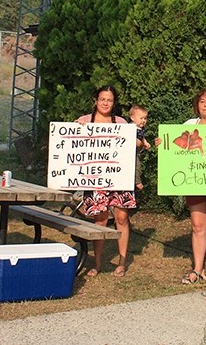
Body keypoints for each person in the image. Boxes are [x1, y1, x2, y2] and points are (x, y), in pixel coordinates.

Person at [156, 88, 206, 284]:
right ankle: (197, 269)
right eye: (202, 102)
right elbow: (176, 148)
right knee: (198, 226)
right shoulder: (190, 125)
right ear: (196, 106)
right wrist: (163, 143)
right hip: (195, 181)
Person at [76, 85, 136, 278]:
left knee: (121, 219)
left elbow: (132, 146)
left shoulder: (121, 122)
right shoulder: (84, 121)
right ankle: (97, 263)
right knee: (100, 220)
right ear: (96, 100)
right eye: (102, 99)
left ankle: (122, 262)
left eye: (109, 100)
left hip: (119, 178)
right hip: (95, 179)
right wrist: (77, 128)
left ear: (114, 103)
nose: (105, 103)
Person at [129, 104, 151, 191]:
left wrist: (145, 143)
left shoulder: (140, 129)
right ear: (133, 118)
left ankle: (136, 181)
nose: (143, 121)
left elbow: (142, 137)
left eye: (145, 118)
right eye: (141, 118)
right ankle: (137, 182)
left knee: (138, 167)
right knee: (137, 166)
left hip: (137, 152)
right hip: (130, 153)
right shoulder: (130, 127)